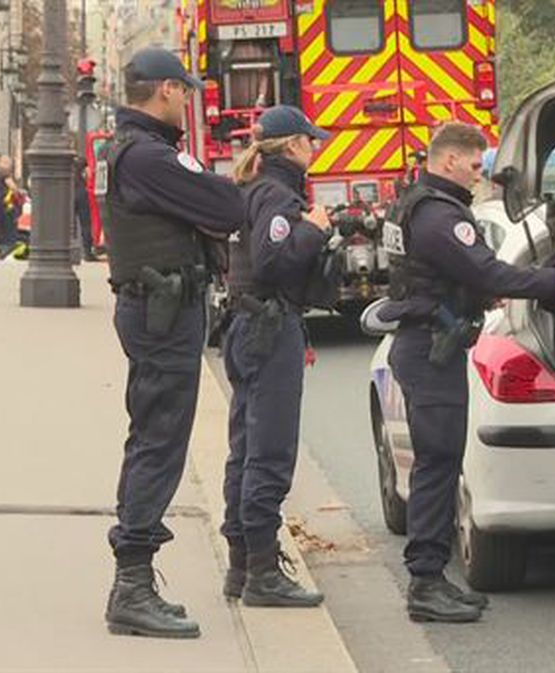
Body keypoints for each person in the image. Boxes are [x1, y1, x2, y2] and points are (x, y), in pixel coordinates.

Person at [379, 122, 555, 623]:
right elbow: (488, 272)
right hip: (431, 350)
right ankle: (425, 584)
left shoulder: (416, 203)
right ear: (450, 159)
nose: (479, 175)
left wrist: (477, 294)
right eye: (475, 165)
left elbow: (454, 277)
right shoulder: (438, 215)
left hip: (427, 345)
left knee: (441, 462)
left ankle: (432, 579)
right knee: (437, 464)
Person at [99, 47, 245, 639]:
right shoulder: (148, 156)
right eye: (185, 90)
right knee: (159, 442)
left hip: (159, 309)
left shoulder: (136, 151)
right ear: (164, 91)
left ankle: (134, 580)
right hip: (162, 314)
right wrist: (218, 193)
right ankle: (131, 585)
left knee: (155, 438)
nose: (189, 99)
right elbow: (227, 206)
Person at [220, 105, 332, 608]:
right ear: (292, 147)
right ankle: (262, 571)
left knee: (246, 446)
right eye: (311, 140)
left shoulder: (253, 187)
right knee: (270, 449)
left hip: (247, 325)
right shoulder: (276, 194)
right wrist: (314, 229)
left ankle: (243, 564)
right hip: (269, 327)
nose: (317, 147)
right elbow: (270, 259)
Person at [74, 158, 97, 261]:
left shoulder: (67, 163)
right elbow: (89, 174)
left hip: (68, 191)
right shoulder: (82, 163)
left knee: (70, 223)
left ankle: (73, 250)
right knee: (86, 223)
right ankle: (87, 252)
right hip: (81, 192)